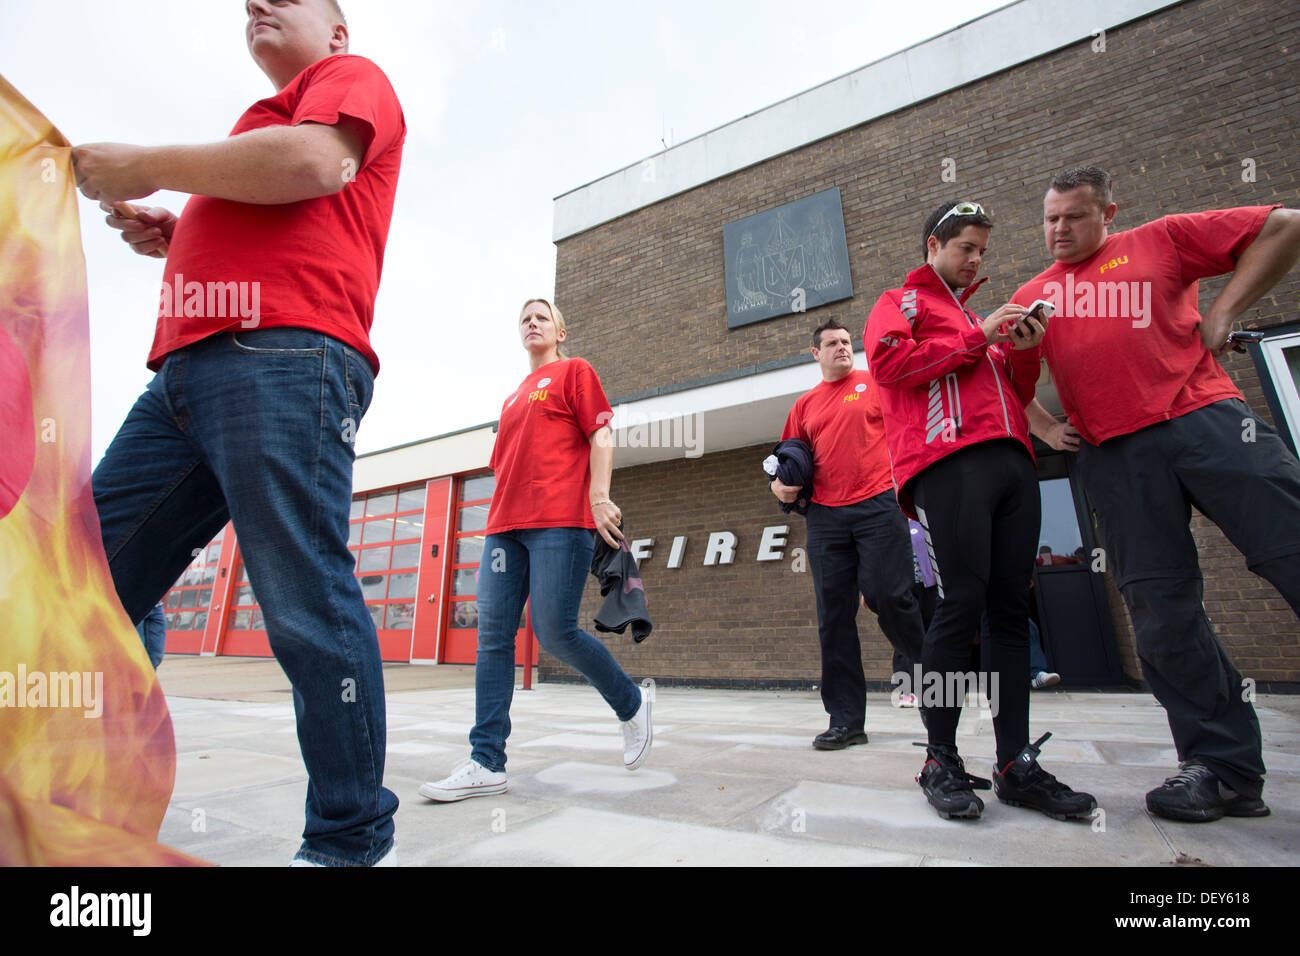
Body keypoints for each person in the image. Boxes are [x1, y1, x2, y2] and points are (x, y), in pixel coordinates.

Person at [72, 0, 405, 865]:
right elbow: (280, 201)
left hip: (286, 354)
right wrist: (185, 233)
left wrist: (144, 166)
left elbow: (313, 163)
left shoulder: (347, 79)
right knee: (82, 586)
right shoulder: (256, 121)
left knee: (302, 600)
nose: (255, 3)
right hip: (183, 371)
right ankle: (80, 789)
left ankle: (349, 840)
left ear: (337, 32)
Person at [1015, 165, 1300, 822]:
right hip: (1114, 456)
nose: (1059, 229)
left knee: (1290, 545)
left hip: (1205, 419)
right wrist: (1049, 428)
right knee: (1160, 610)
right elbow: (1013, 378)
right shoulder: (1036, 297)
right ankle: (1222, 769)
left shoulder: (1162, 240)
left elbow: (1284, 227)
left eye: (1073, 217)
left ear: (1107, 213)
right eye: (1050, 218)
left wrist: (1224, 310)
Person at [865, 200, 1095, 821]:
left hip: (1014, 463)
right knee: (959, 603)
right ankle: (939, 759)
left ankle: (1014, 762)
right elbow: (888, 364)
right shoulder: (902, 302)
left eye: (982, 252)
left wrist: (1020, 349)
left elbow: (1014, 394)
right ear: (934, 245)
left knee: (1010, 612)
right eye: (966, 247)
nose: (975, 261)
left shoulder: (975, 316)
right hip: (947, 465)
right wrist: (977, 335)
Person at [420, 299, 652, 802]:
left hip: (558, 523)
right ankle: (486, 760)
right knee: (493, 638)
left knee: (554, 631)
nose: (532, 322)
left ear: (561, 330)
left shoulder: (574, 372)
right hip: (505, 528)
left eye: (541, 316)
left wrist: (598, 496)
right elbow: (504, 466)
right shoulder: (510, 400)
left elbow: (601, 433)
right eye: (524, 317)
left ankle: (631, 702)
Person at [772, 320, 926, 748]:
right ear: (814, 354)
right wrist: (778, 486)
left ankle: (937, 695)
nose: (842, 348)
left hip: (878, 504)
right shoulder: (803, 407)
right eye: (832, 344)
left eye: (846, 342)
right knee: (834, 617)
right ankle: (846, 720)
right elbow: (784, 461)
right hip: (825, 517)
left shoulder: (875, 382)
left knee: (889, 597)